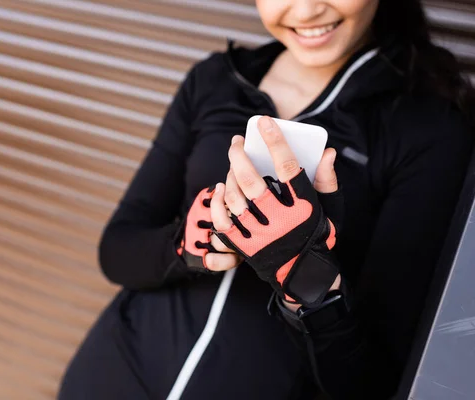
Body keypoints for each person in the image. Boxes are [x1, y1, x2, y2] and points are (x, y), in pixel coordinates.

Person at [58, 0, 474, 399]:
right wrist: (187, 243)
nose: (307, 9)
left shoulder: (428, 128)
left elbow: (371, 381)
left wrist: (307, 278)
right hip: (105, 376)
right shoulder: (215, 80)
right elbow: (116, 250)